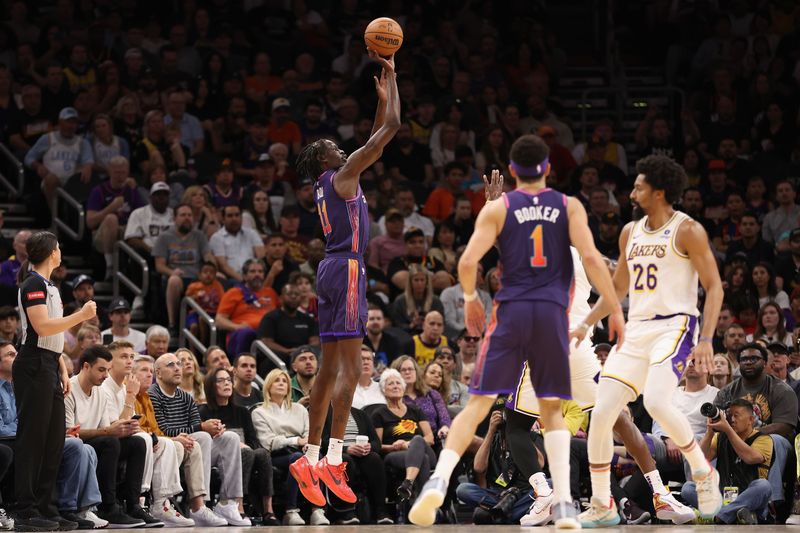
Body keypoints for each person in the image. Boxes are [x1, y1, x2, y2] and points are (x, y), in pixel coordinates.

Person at [410, 134, 623, 528]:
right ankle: (562, 503)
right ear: (547, 169)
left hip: (511, 314)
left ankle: (438, 480)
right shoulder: (570, 206)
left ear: (511, 171)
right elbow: (593, 258)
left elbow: (469, 259)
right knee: (553, 413)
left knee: (477, 405)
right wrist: (614, 312)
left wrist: (472, 298)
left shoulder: (501, 208)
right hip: (550, 318)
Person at [573, 154, 725, 526]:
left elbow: (715, 286)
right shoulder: (630, 232)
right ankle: (602, 503)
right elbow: (620, 286)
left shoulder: (688, 230)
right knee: (603, 412)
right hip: (637, 328)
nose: (633, 190)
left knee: (657, 401)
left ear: (659, 191)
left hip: (675, 324)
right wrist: (588, 322)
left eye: (639, 185)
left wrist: (706, 337)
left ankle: (702, 470)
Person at [289, 50, 400, 507]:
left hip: (329, 270)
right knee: (352, 370)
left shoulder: (327, 183)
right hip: (349, 269)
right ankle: (334, 457)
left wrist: (379, 98)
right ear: (327, 159)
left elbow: (375, 132)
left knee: (329, 367)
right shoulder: (341, 174)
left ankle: (309, 456)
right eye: (336, 147)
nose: (343, 146)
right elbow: (389, 131)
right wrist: (393, 78)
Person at [13, 231, 96, 531]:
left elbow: (52, 337)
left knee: (52, 441)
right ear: (50, 253)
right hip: (33, 364)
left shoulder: (49, 285)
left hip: (48, 362)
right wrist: (82, 315)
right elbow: (42, 327)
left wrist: (61, 364)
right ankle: (24, 509)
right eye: (58, 247)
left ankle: (46, 508)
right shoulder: (33, 283)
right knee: (33, 441)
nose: (61, 251)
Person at [149, 352, 249, 525]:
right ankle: (200, 506)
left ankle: (228, 503)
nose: (177, 368)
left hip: (191, 446)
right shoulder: (153, 394)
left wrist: (214, 429)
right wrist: (202, 428)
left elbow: (196, 423)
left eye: (178, 364)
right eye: (171, 365)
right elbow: (162, 430)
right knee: (202, 436)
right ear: (158, 373)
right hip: (170, 448)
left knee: (230, 437)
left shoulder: (186, 397)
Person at [64, 345, 151, 528]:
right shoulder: (69, 389)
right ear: (86, 367)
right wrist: (108, 431)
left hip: (97, 441)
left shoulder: (100, 391)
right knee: (110, 442)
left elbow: (105, 428)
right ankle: (107, 506)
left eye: (107, 370)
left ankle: (133, 504)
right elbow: (68, 432)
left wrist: (122, 428)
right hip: (73, 444)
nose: (105, 375)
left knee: (137, 442)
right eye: (101, 370)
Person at [199, 368, 277, 525]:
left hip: (245, 451)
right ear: (210, 386)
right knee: (245, 453)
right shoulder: (203, 412)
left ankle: (268, 510)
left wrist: (245, 446)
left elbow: (253, 440)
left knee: (262, 453)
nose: (226, 383)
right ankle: (237, 506)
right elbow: (205, 443)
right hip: (220, 457)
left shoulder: (242, 412)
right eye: (220, 380)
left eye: (228, 380)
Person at [251, 369, 329, 526]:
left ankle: (317, 510)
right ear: (268, 386)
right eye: (277, 380)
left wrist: (308, 444)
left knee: (316, 456)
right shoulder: (259, 412)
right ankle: (291, 511)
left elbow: (310, 433)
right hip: (275, 456)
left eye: (284, 381)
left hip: (301, 451)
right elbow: (269, 442)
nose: (281, 383)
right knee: (298, 459)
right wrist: (296, 441)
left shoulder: (299, 409)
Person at [683, 398, 773, 524]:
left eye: (736, 416)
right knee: (688, 488)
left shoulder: (763, 439)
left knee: (764, 486)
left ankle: (718, 516)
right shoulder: (720, 437)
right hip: (722, 497)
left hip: (750, 498)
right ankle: (732, 515)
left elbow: (750, 458)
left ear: (751, 420)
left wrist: (728, 430)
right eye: (730, 416)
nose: (732, 420)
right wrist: (709, 431)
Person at [372, 369, 437, 505]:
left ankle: (408, 483)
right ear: (383, 390)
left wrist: (409, 444)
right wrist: (395, 446)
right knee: (422, 459)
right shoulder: (378, 414)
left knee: (418, 440)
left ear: (403, 388)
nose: (395, 386)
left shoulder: (415, 410)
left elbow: (430, 438)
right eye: (390, 384)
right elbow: (377, 445)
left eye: (398, 383)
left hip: (423, 449)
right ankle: (423, 504)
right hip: (395, 454)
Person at [257, 284, 319, 371]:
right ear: (281, 298)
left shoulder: (308, 319)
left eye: (296, 294)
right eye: (290, 294)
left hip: (303, 353)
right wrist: (287, 351)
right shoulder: (270, 317)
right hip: (279, 355)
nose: (293, 297)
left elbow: (315, 341)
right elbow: (266, 342)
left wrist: (300, 351)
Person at [352, 346, 386, 410]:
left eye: (369, 359)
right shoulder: (346, 389)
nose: (366, 362)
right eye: (362, 359)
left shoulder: (382, 388)